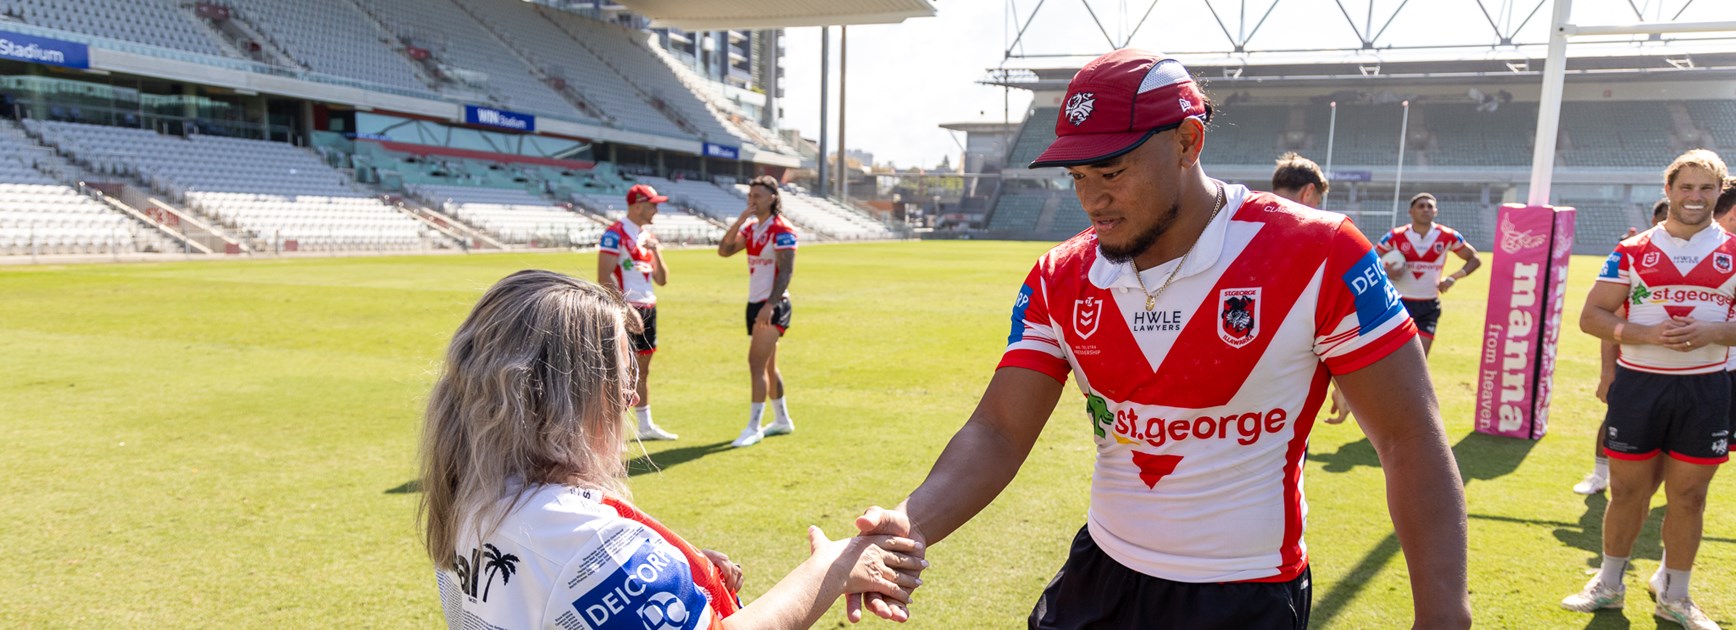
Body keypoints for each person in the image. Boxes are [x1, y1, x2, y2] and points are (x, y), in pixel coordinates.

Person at [851, 49, 1470, 628]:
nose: (1093, 199)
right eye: (1078, 176)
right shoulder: (1059, 275)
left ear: (1187, 141)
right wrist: (910, 523)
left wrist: (1443, 615)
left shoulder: (1320, 251)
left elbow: (1409, 436)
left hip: (1244, 594)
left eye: (1113, 171)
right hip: (1099, 578)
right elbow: (999, 430)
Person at [418, 270, 925, 629]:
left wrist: (675, 573)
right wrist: (831, 568)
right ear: (567, 399)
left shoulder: (474, 495)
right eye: (619, 383)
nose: (631, 399)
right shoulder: (581, 540)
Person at [1564, 149, 1733, 630]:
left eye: (1706, 188)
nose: (1695, 197)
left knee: (1689, 497)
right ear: (1669, 191)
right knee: (1626, 491)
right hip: (1640, 387)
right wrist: (1644, 334)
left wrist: (1715, 333)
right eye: (1686, 187)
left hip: (1705, 389)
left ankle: (1675, 597)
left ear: (1719, 192)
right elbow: (1591, 316)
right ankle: (1609, 585)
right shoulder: (1633, 249)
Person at [1579, 198, 1683, 495]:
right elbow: (1604, 321)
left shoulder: (1709, 258)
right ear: (1655, 220)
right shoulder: (1635, 255)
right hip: (1635, 369)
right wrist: (1607, 372)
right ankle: (1600, 475)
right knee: (1614, 420)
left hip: (1695, 376)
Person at [1271, 152, 1358, 425]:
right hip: (1286, 404)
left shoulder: (1235, 226)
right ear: (1309, 192)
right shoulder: (1321, 240)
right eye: (1318, 201)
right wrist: (1342, 387)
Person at [717, 175, 798, 448]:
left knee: (755, 364)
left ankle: (753, 427)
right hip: (755, 302)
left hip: (772, 304)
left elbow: (786, 270)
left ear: (773, 198)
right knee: (768, 365)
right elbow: (724, 251)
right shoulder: (753, 228)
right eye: (750, 196)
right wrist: (740, 220)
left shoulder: (781, 228)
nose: (753, 200)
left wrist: (770, 305)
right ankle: (782, 420)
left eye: (758, 196)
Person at [599, 184, 677, 441]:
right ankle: (609, 433)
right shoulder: (615, 234)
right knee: (618, 371)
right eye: (653, 204)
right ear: (637, 205)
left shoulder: (646, 236)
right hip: (626, 311)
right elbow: (603, 275)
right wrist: (625, 308)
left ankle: (645, 425)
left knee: (641, 370)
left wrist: (655, 250)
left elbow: (663, 279)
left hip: (649, 308)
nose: (656, 209)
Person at [1374, 193, 1482, 356]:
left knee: (1419, 359)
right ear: (1411, 211)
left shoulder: (1448, 236)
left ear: (1435, 211)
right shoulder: (1396, 236)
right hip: (1399, 303)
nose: (1426, 209)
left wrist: (1453, 278)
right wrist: (1385, 272)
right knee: (1393, 359)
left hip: (1428, 306)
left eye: (1430, 206)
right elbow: (1370, 261)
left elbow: (1474, 259)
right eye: (1421, 206)